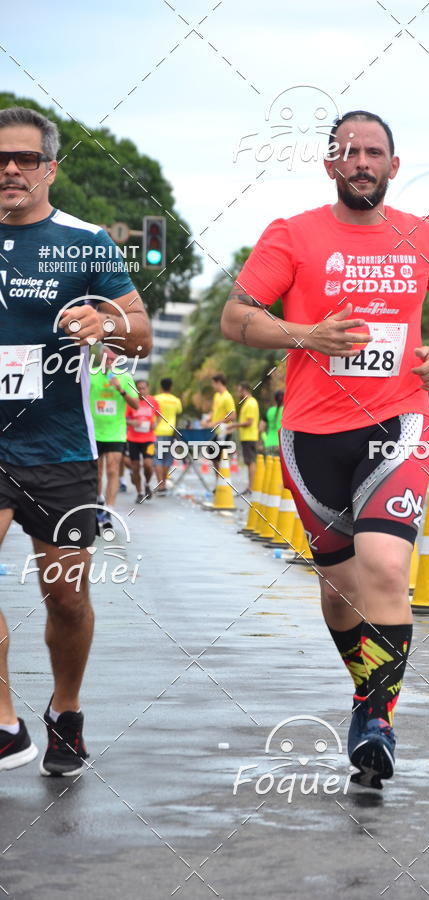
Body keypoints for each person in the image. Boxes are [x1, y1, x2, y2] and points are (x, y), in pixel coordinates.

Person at [221, 110, 429, 789]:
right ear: (331, 165)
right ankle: (367, 690)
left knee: (386, 569)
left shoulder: (423, 235)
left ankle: (377, 717)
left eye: (375, 153)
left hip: (398, 422)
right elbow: (237, 316)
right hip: (311, 434)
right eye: (349, 152)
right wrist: (307, 335)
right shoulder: (294, 234)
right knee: (339, 589)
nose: (362, 162)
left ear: (395, 165)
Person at [0, 106, 151, 774]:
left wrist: (105, 321)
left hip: (58, 446)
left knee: (65, 597)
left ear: (49, 168)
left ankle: (65, 710)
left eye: (25, 159)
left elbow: (140, 332)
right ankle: (4, 722)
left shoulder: (84, 241)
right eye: (0, 159)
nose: (9, 169)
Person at [89, 346, 139, 525]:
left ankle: (109, 510)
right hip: (94, 432)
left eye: (112, 359)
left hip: (115, 432)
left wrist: (121, 390)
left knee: (112, 470)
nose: (109, 362)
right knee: (96, 473)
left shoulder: (125, 377)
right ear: (100, 358)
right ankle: (99, 499)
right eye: (106, 359)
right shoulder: (90, 374)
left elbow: (136, 405)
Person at [126, 380, 159, 503]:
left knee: (148, 465)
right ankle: (139, 493)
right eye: (139, 388)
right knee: (135, 467)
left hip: (149, 439)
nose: (141, 391)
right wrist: (131, 422)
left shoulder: (153, 401)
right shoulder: (131, 402)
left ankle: (147, 484)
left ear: (148, 389)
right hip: (133, 439)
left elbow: (159, 415)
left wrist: (155, 423)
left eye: (144, 388)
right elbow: (124, 418)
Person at [228, 382, 260, 493]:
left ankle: (251, 487)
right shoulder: (247, 403)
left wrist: (234, 425)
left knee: (250, 461)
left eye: (239, 390)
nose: (237, 393)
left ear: (244, 390)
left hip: (250, 436)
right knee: (248, 461)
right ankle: (250, 486)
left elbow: (249, 422)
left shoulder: (251, 403)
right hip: (247, 436)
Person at [153, 377, 183, 495]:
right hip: (171, 432)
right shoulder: (176, 400)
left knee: (157, 459)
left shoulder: (156, 399)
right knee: (167, 459)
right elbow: (179, 411)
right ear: (171, 387)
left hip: (157, 432)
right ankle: (164, 484)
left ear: (161, 387)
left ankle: (160, 485)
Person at [207, 374, 235, 486]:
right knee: (213, 456)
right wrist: (208, 419)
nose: (212, 386)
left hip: (224, 432)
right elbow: (214, 412)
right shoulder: (217, 396)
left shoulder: (227, 397)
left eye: (213, 383)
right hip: (215, 431)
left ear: (218, 382)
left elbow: (232, 415)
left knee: (220, 458)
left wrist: (216, 422)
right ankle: (218, 481)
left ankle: (222, 483)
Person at [261, 390, 284, 455]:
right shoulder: (286, 411)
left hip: (269, 443)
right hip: (281, 444)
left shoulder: (269, 411)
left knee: (269, 464)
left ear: (275, 399)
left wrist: (265, 439)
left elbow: (261, 428)